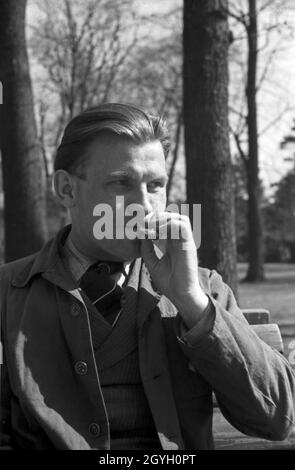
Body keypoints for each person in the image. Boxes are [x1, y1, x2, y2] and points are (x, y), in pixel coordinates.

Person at [0, 103, 294, 450]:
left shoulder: (203, 288)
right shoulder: (8, 292)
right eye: (121, 183)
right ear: (66, 189)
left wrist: (191, 302)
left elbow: (276, 421)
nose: (144, 205)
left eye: (155, 185)